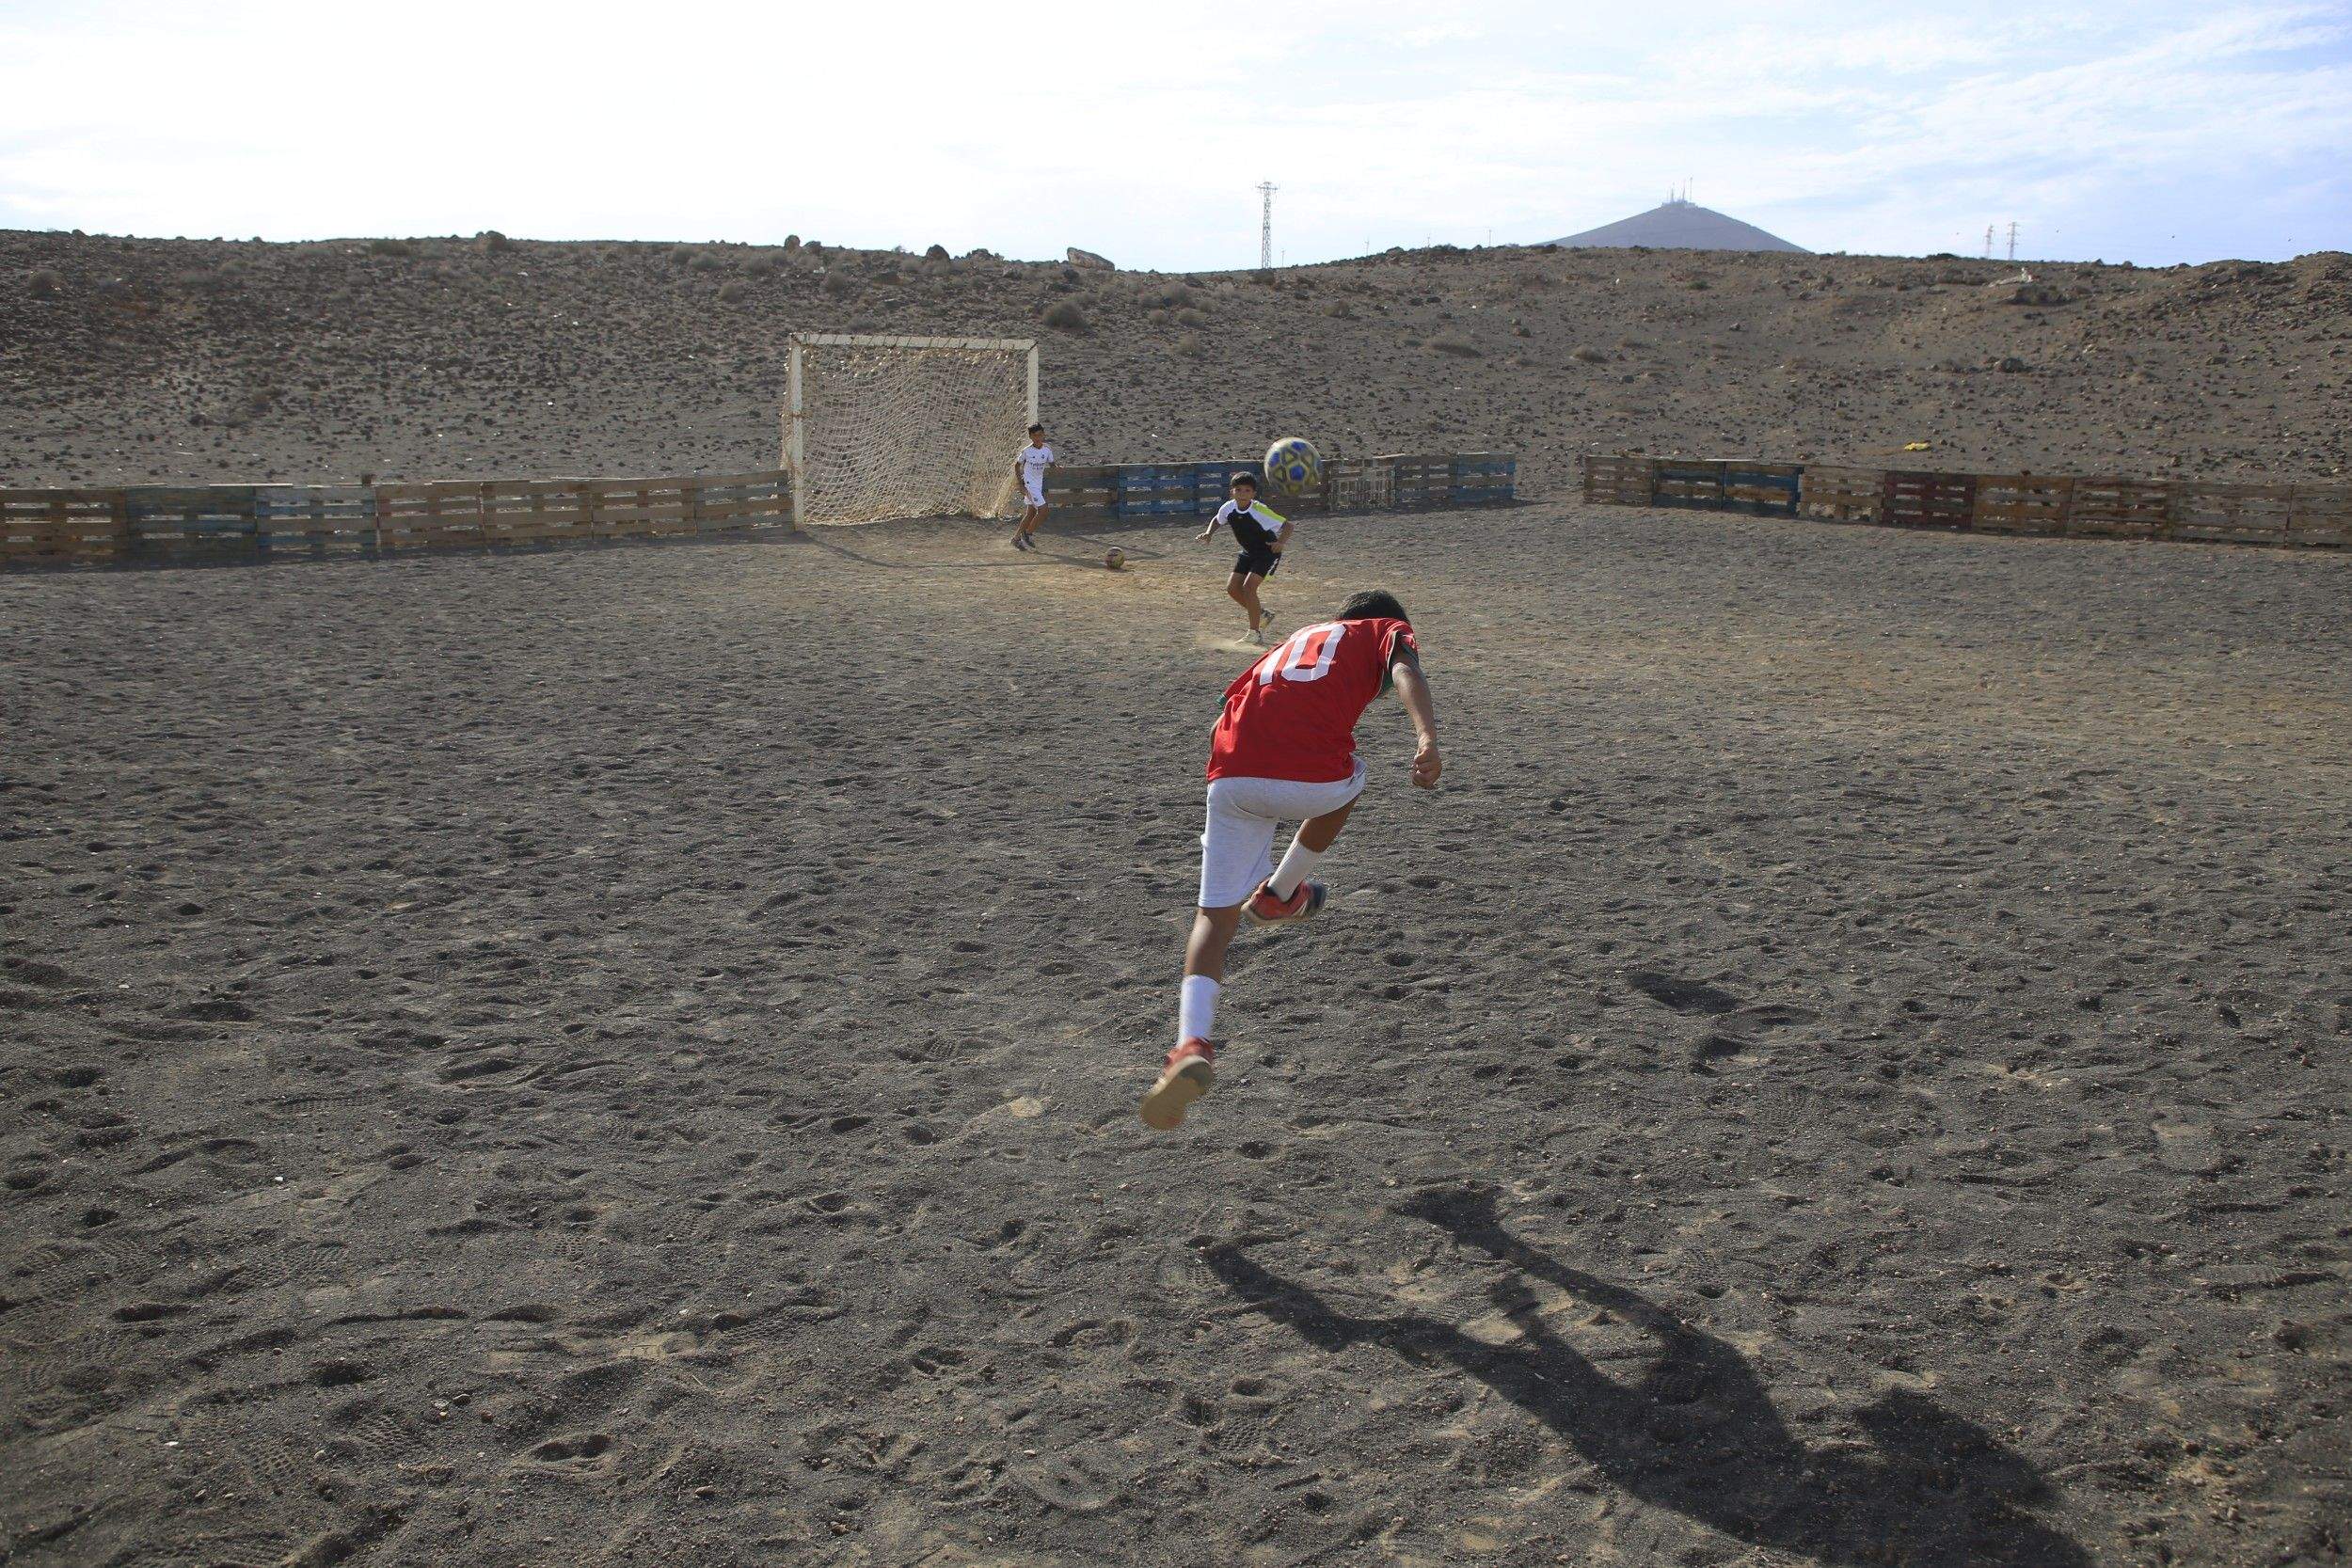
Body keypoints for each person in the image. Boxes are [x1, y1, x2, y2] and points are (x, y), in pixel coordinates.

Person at [1140, 590, 1443, 1131]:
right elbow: (1406, 674)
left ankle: (1191, 1043)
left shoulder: (1292, 643)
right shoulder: (1383, 631)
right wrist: (1426, 737)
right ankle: (1282, 895)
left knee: (1214, 918)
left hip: (1230, 771)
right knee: (1352, 781)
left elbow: (1223, 718)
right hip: (1308, 778)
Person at [1199, 473, 1288, 641]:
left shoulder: (1259, 510)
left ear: (1253, 494)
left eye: (1247, 490)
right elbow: (1218, 520)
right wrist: (1209, 533)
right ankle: (1262, 615)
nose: (1242, 493)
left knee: (1248, 588)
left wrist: (1281, 543)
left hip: (1268, 553)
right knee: (1232, 588)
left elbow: (1288, 526)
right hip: (1248, 552)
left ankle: (1254, 633)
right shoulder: (1228, 508)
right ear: (1232, 492)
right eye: (1238, 490)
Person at [1010, 425, 1054, 549]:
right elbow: (1016, 466)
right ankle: (1027, 533)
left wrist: (1057, 466)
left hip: (1038, 484)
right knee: (1044, 511)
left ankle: (1016, 538)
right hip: (1029, 485)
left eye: (1040, 435)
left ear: (1044, 435)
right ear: (1030, 437)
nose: (1038, 438)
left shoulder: (1047, 449)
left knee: (1031, 513)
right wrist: (1021, 485)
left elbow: (1051, 463)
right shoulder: (1027, 451)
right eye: (1034, 435)